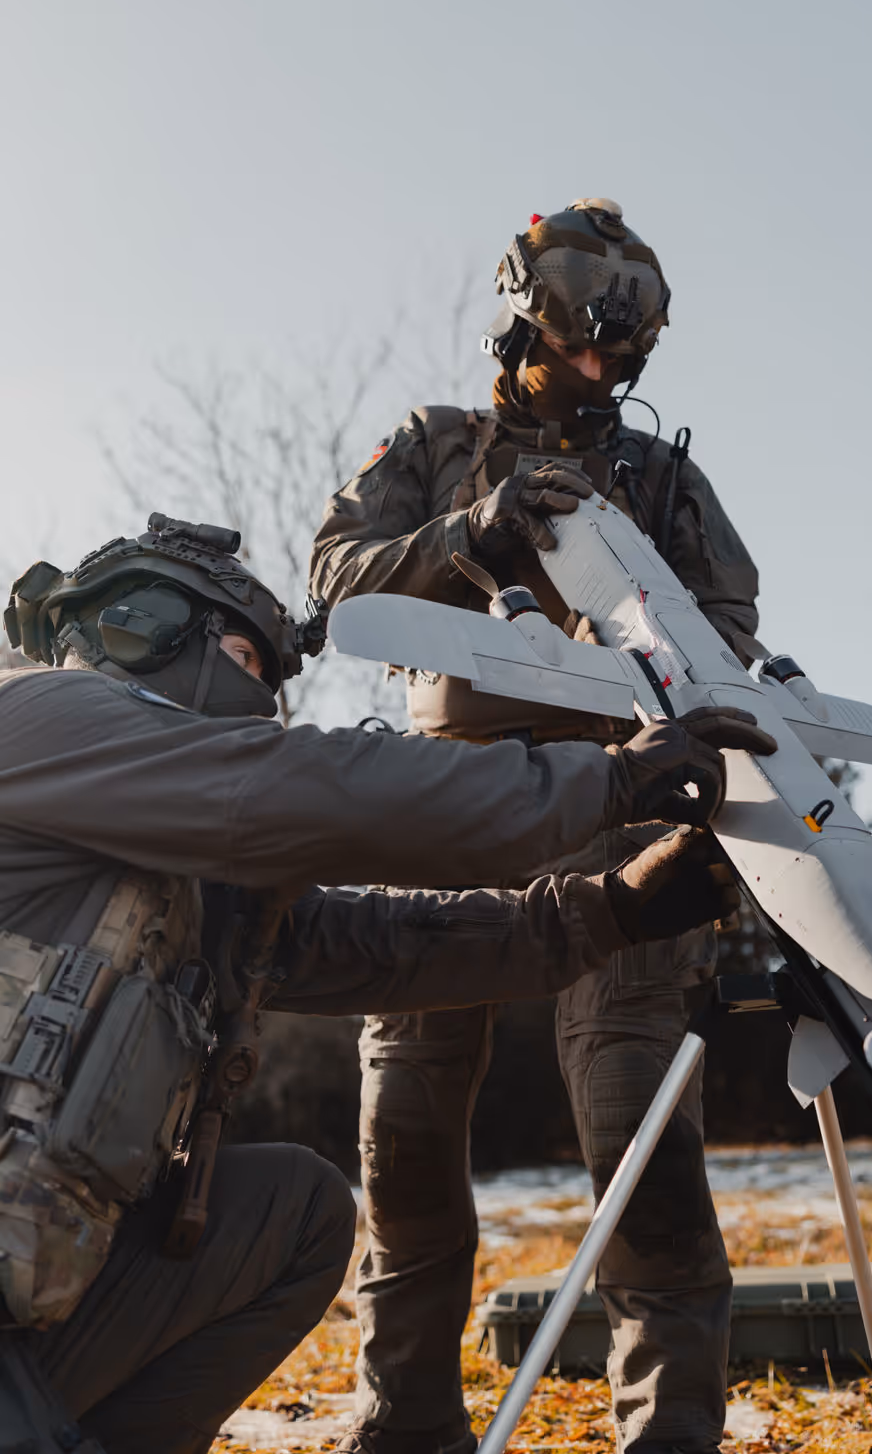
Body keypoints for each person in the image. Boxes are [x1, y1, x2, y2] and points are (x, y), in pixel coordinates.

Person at [0, 511, 775, 1454]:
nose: (265, 705)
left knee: (293, 1214)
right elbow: (313, 784)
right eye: (252, 665)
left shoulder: (184, 882)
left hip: (33, 1281)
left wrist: (608, 910)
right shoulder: (39, 718)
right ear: (148, 626)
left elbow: (376, 942)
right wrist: (605, 782)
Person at [309, 198, 766, 1454]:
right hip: (440, 811)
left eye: (626, 349)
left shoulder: (666, 478)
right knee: (403, 1148)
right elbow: (332, 573)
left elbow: (728, 630)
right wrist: (472, 535)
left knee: (639, 1148)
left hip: (615, 806)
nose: (605, 368)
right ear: (525, 318)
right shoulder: (436, 443)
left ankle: (668, 1430)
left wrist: (636, 639)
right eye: (584, 341)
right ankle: (400, 1425)